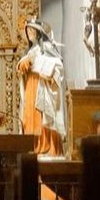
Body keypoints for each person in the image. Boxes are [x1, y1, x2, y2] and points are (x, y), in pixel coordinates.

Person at [18, 18, 66, 157]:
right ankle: (34, 148)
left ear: (39, 33)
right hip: (31, 85)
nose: (30, 33)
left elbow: (57, 65)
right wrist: (24, 65)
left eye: (32, 30)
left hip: (41, 85)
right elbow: (23, 65)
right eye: (28, 31)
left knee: (42, 116)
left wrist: (38, 65)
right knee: (29, 116)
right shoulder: (31, 50)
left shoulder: (46, 47)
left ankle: (46, 148)